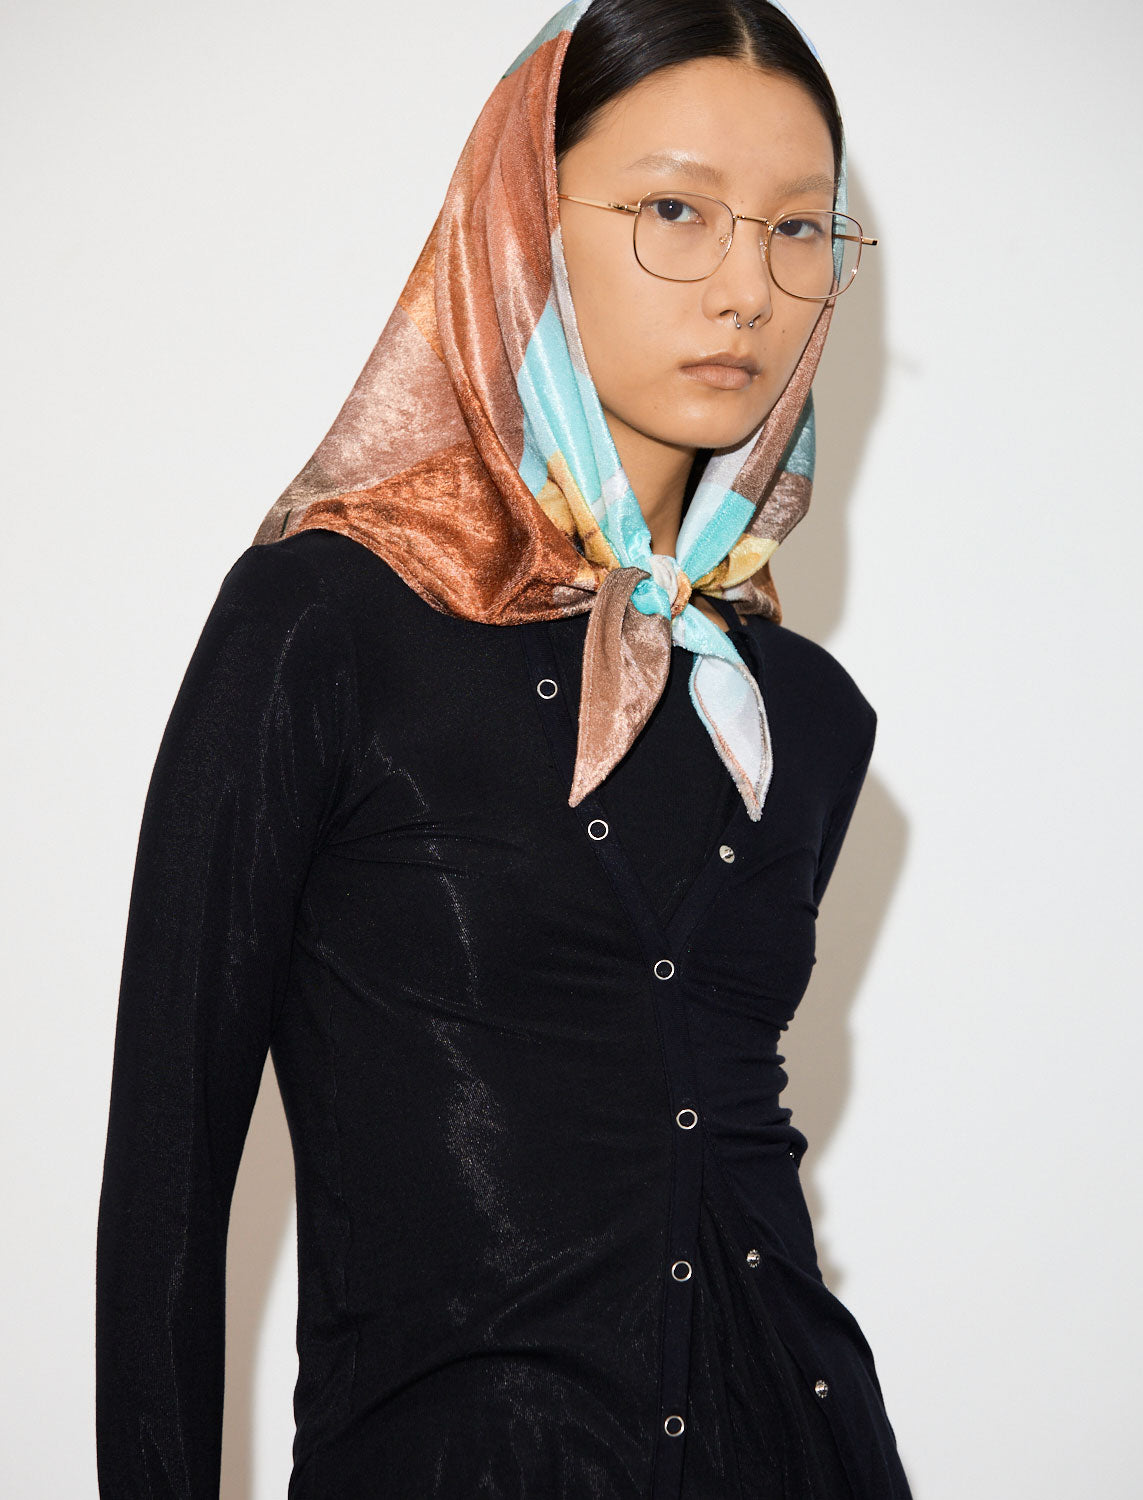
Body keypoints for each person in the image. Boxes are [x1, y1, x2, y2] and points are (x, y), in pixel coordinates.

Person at [95, 0, 910, 1495]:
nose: (749, 288)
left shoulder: (798, 714)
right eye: (677, 210)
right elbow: (167, 1170)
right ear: (525, 221)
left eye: (800, 230)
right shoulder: (327, 623)